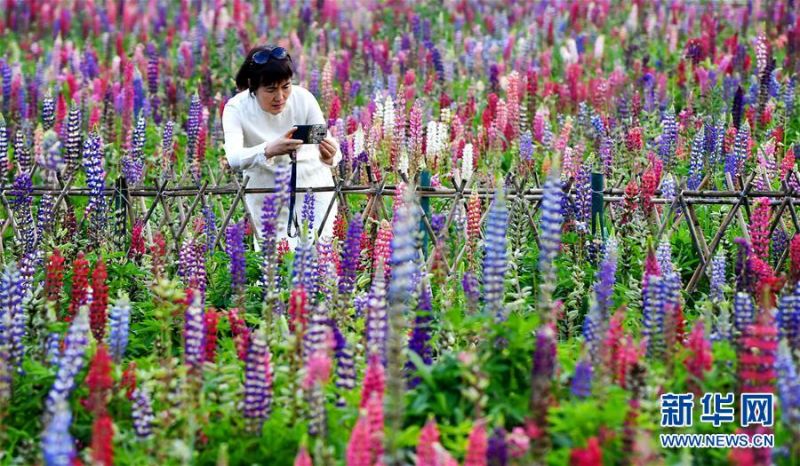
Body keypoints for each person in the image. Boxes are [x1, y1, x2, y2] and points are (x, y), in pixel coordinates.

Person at [222, 45, 342, 251]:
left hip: (313, 191)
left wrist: (329, 155)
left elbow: (331, 147)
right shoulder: (236, 108)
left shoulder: (303, 99)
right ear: (252, 87)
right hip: (268, 197)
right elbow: (234, 158)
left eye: (285, 86)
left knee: (320, 263)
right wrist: (269, 149)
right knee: (272, 268)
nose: (280, 97)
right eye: (270, 89)